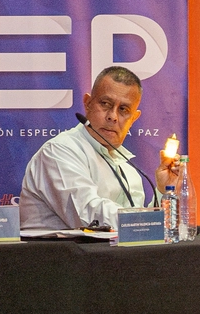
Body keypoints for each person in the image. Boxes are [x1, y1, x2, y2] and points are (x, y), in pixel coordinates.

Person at [19, 66, 180, 231]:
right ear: (87, 104)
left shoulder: (126, 167)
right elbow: (89, 216)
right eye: (105, 104)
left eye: (123, 110)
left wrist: (163, 190)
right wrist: (147, 221)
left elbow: (135, 231)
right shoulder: (59, 151)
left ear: (134, 118)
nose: (113, 116)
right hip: (56, 255)